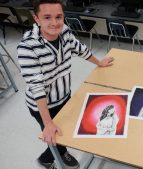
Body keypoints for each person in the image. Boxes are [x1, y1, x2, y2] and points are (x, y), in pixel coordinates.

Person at [17, 0, 114, 168]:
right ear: (37, 19)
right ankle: (49, 158)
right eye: (47, 17)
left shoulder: (65, 32)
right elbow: (37, 87)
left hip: (64, 95)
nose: (54, 23)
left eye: (58, 17)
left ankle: (59, 152)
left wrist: (99, 62)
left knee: (65, 131)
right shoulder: (27, 47)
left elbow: (79, 48)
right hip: (43, 105)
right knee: (55, 135)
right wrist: (47, 122)